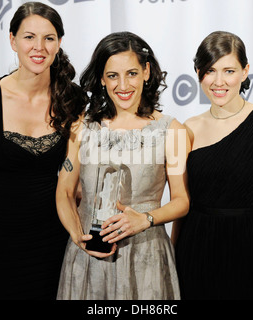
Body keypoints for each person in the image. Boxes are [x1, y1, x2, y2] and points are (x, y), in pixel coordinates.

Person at [0, 2, 87, 300]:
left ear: (59, 43)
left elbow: (73, 175)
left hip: (52, 240)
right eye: (29, 37)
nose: (39, 47)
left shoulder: (73, 100)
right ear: (12, 40)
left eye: (49, 38)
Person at [56, 31, 190, 299]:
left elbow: (181, 200)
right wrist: (77, 236)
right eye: (113, 76)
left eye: (131, 73)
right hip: (87, 257)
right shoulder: (82, 126)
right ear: (102, 79)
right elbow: (65, 191)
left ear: (146, 72)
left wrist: (145, 219)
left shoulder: (172, 130)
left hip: (146, 256)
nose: (123, 85)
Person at [173, 31, 253, 300]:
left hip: (250, 250)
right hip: (194, 251)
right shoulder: (189, 128)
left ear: (244, 71)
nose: (218, 81)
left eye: (229, 70)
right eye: (210, 70)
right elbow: (182, 204)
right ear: (198, 72)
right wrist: (172, 260)